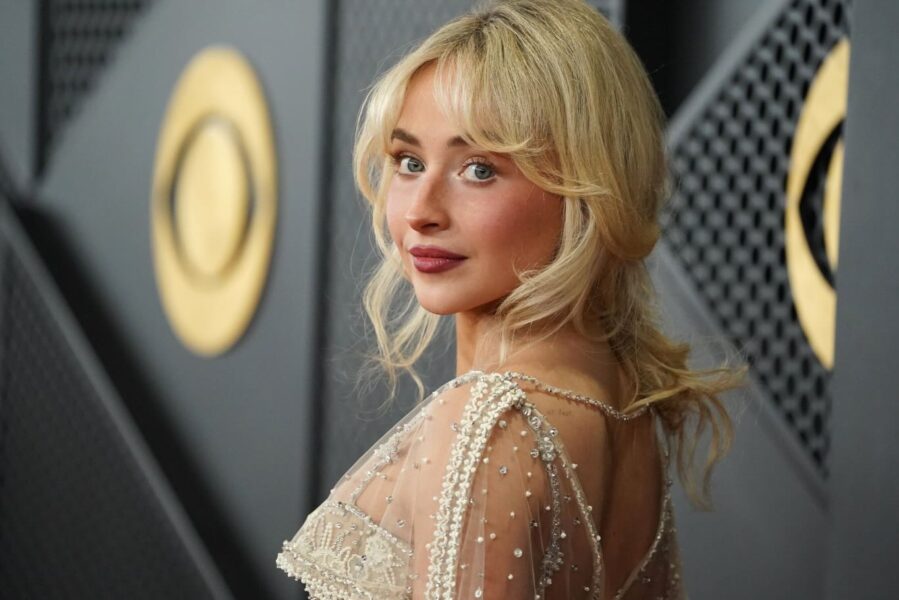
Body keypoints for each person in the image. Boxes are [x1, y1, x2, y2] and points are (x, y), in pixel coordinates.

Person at [276, 0, 748, 598]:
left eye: (479, 169)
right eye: (409, 161)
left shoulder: (491, 424)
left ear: (586, 186)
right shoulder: (624, 406)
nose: (420, 211)